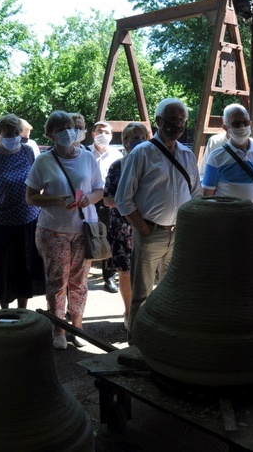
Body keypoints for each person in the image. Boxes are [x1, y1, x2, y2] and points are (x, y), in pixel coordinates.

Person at [115, 98, 202, 336]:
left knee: (172, 292)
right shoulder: (142, 153)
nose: (178, 124)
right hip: (150, 234)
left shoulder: (187, 155)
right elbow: (123, 199)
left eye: (182, 119)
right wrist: (143, 229)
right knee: (141, 294)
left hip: (179, 234)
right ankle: (137, 341)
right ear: (159, 121)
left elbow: (196, 195)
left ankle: (164, 338)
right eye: (173, 119)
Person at [25, 111, 104, 350]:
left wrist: (88, 199)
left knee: (80, 282)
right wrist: (55, 200)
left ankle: (77, 328)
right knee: (57, 282)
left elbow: (99, 190)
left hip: (83, 230)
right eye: (60, 129)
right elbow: (30, 197)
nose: (67, 132)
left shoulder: (88, 157)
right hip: (53, 231)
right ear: (50, 135)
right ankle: (58, 330)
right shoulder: (44, 161)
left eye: (69, 127)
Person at [0, 114, 45, 309]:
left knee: (24, 267)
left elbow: (38, 180)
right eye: (7, 132)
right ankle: (5, 311)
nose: (12, 135)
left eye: (15, 132)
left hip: (28, 220)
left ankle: (23, 311)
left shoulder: (28, 152)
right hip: (1, 223)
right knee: (4, 268)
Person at [202, 104, 253, 252]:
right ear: (226, 127)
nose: (242, 126)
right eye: (236, 123)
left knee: (252, 270)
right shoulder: (216, 157)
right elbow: (207, 198)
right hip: (224, 228)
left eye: (246, 122)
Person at [103, 122, 150, 328]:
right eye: (132, 138)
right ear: (124, 142)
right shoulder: (117, 166)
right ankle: (129, 313)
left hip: (149, 224)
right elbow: (107, 199)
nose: (137, 141)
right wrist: (129, 203)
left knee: (147, 270)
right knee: (125, 271)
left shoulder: (153, 164)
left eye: (141, 136)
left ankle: (146, 313)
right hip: (123, 226)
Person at [88, 120, 123, 293]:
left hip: (108, 202)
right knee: (86, 236)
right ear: (93, 134)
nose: (103, 135)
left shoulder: (117, 155)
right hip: (87, 201)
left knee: (108, 238)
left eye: (107, 132)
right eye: (99, 131)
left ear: (112, 136)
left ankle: (109, 278)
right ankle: (81, 275)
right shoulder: (84, 153)